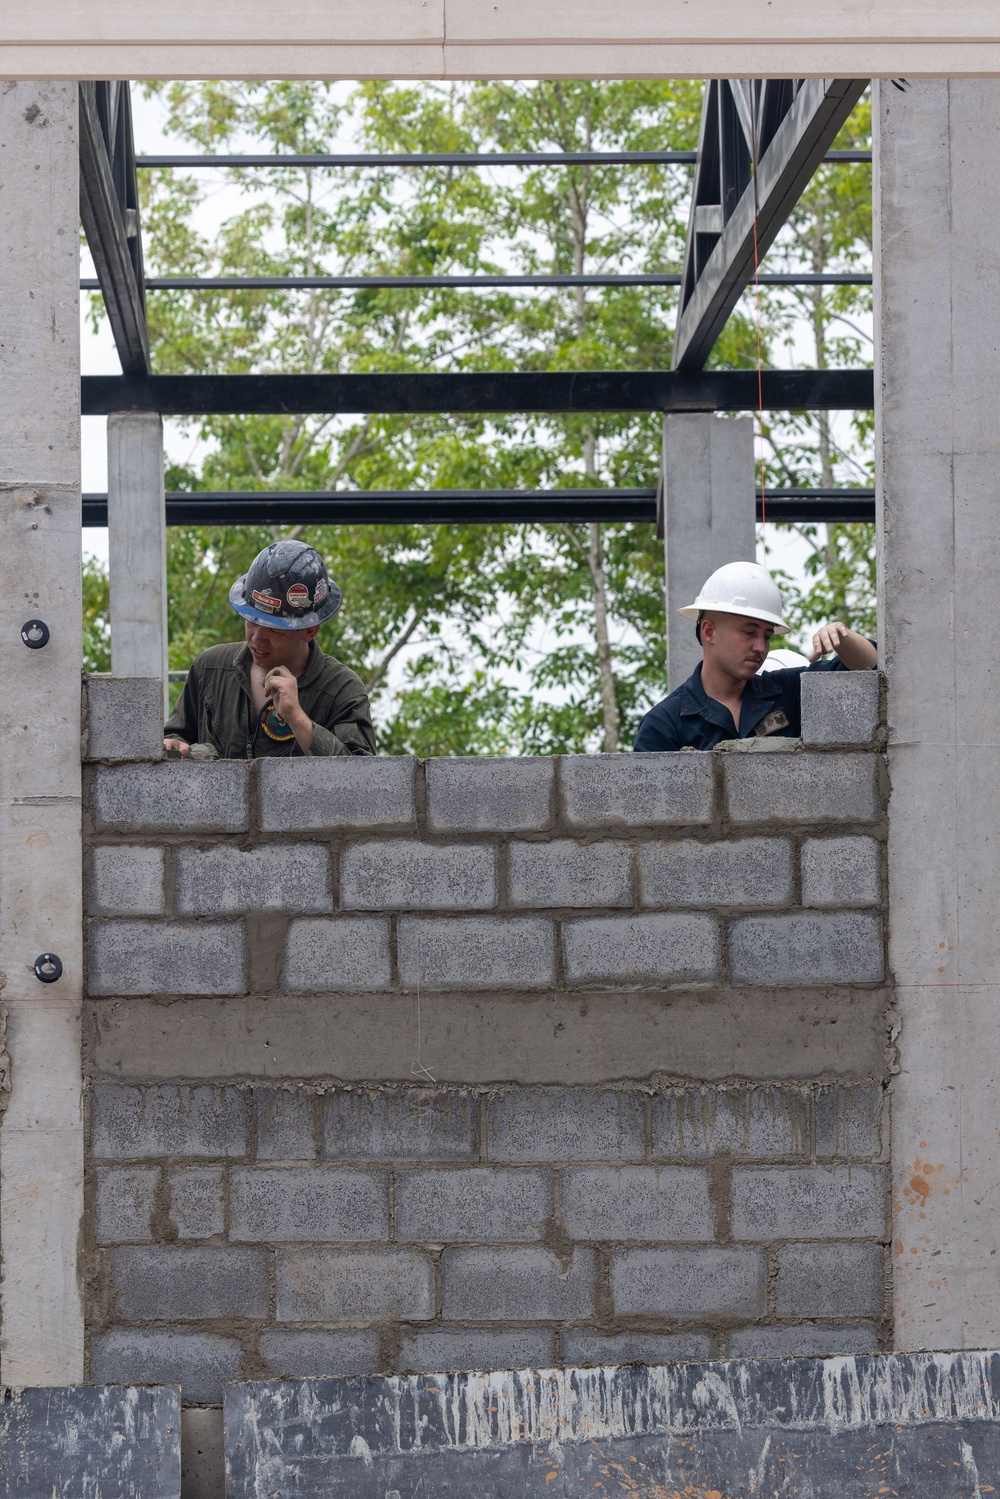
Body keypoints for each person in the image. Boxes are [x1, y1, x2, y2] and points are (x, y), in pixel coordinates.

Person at [634, 560, 877, 752]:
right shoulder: (665, 725)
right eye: (749, 632)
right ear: (709, 631)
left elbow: (868, 670)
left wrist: (842, 636)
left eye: (768, 635)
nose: (761, 647)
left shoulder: (787, 692)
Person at [164, 540, 376, 759]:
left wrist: (296, 718)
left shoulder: (342, 690)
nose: (256, 638)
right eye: (251, 621)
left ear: (309, 631)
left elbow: (361, 779)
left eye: (274, 630)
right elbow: (175, 736)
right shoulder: (209, 669)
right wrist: (174, 747)